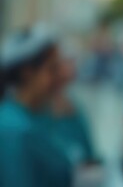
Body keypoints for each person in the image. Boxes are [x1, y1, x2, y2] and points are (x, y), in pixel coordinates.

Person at [0, 26, 72, 187]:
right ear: (27, 72)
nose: (61, 76)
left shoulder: (40, 116)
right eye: (52, 69)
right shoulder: (14, 131)